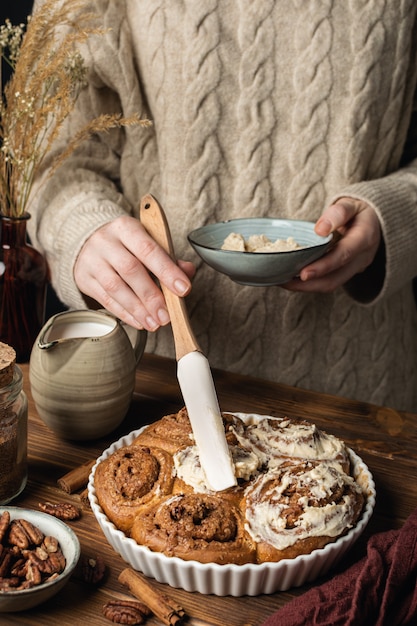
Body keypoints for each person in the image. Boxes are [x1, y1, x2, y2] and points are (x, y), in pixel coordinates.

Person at [29, 0, 417, 412]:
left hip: (361, 386)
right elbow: (50, 156)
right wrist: (81, 227)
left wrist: (395, 214)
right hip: (157, 384)